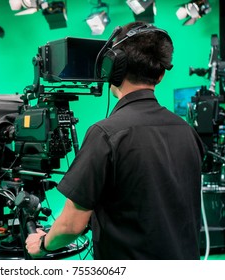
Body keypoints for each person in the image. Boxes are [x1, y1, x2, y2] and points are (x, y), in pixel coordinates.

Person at [25, 21, 205, 260]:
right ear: (161, 75)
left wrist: (42, 244)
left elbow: (71, 226)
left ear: (112, 67)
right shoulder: (186, 130)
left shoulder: (106, 134)